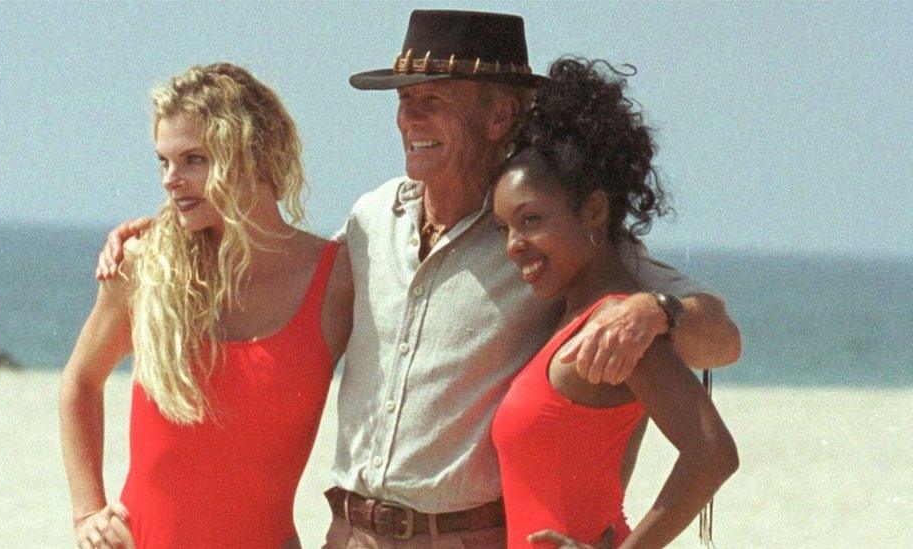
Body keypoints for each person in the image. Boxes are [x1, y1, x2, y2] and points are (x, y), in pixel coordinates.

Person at [96, 11, 741, 547]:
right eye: (405, 100)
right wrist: (170, 228)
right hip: (347, 535)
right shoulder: (371, 218)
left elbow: (722, 339)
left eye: (433, 101)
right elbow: (278, 262)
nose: (409, 118)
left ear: (501, 117)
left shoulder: (543, 235)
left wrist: (657, 311)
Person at [60, 63, 352, 548]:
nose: (171, 180)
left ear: (255, 155)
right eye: (164, 161)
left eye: (194, 159)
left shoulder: (338, 278)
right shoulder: (144, 268)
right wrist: (87, 511)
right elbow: (79, 381)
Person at [490, 57, 738, 548]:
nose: (513, 245)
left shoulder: (619, 325)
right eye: (505, 229)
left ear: (595, 210)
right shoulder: (576, 321)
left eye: (532, 220)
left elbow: (712, 453)